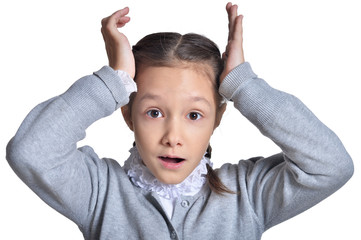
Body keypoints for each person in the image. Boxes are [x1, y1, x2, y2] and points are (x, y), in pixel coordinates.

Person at [6, 2, 353, 240]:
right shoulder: (99, 191)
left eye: (194, 115)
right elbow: (31, 152)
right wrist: (114, 81)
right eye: (154, 112)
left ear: (217, 118)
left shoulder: (247, 195)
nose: (173, 136)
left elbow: (331, 166)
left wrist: (244, 86)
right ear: (127, 113)